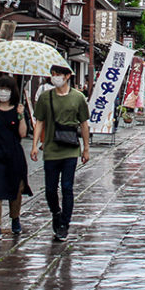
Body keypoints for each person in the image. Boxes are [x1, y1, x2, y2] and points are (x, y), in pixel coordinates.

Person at [31, 65, 90, 242]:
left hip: (70, 148)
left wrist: (86, 148)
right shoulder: (45, 97)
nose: (55, 78)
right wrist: (34, 145)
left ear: (67, 76)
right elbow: (39, 122)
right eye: (53, 75)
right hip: (50, 148)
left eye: (58, 75)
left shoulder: (78, 97)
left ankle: (64, 224)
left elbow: (84, 124)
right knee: (50, 189)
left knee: (67, 187)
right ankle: (56, 212)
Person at [0, 75, 32, 243]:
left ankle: (15, 218)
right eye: (1, 89)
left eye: (7, 89)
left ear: (12, 92)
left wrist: (21, 115)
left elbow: (23, 134)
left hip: (14, 155)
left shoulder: (17, 110)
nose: (3, 92)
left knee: (15, 190)